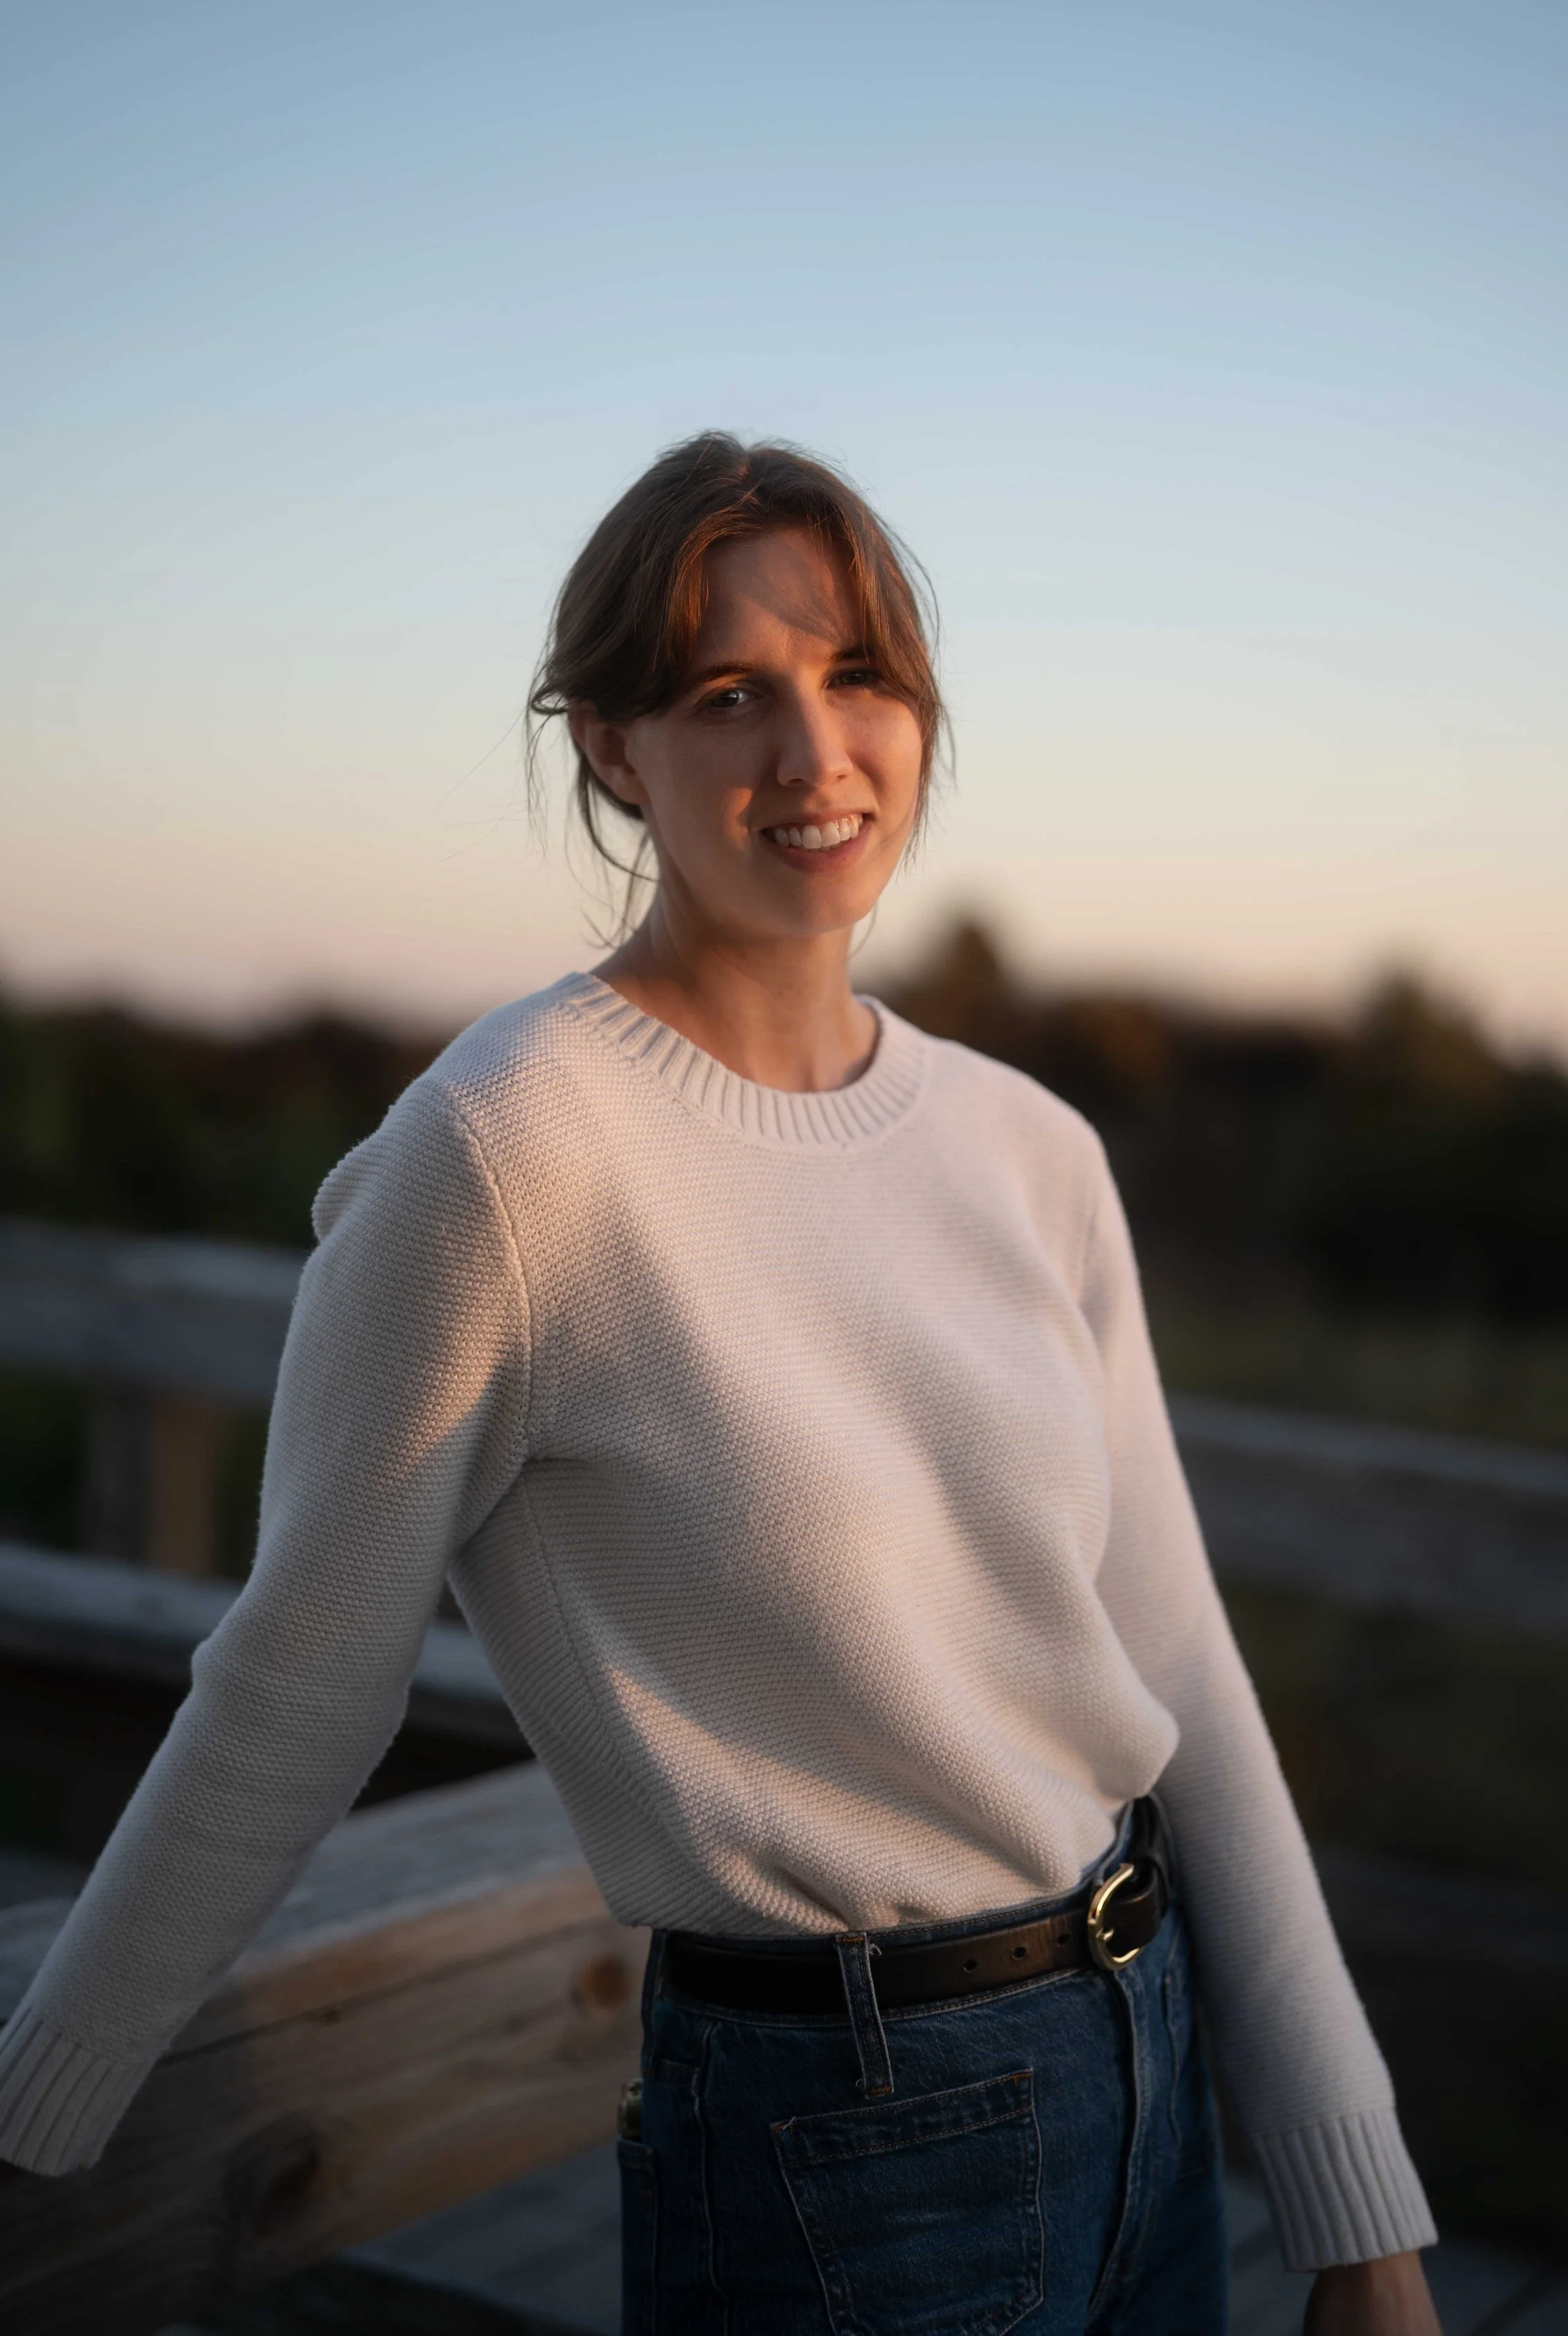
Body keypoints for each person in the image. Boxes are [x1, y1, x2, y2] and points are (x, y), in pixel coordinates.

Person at [0, 435, 1441, 2335]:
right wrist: (36, 2119)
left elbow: (1174, 1674)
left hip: (1145, 2045)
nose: (811, 750)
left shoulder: (1030, 1148)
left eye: (859, 675)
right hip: (845, 2136)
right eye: (724, 694)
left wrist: (1359, 2202)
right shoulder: (504, 1155)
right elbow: (299, 1676)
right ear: (610, 744)